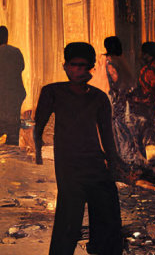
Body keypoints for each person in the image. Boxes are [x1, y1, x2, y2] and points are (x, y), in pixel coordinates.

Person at [34, 42, 123, 255]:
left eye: (84, 67)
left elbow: (107, 134)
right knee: (69, 217)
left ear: (91, 68)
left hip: (94, 163)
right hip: (69, 165)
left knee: (107, 215)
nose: (79, 71)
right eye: (74, 65)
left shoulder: (99, 98)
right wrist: (38, 152)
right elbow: (39, 125)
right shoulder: (52, 92)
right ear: (65, 66)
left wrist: (113, 164)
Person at [103, 36, 136, 166]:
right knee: (122, 127)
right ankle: (125, 157)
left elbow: (116, 79)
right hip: (122, 97)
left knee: (118, 127)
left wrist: (115, 90)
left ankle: (122, 158)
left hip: (117, 98)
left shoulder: (109, 61)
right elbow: (129, 81)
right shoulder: (121, 60)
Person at [0, 26, 25, 145]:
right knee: (14, 118)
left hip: (3, 91)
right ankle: (13, 142)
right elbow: (21, 67)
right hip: (17, 90)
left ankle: (7, 144)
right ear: (7, 37)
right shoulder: (16, 51)